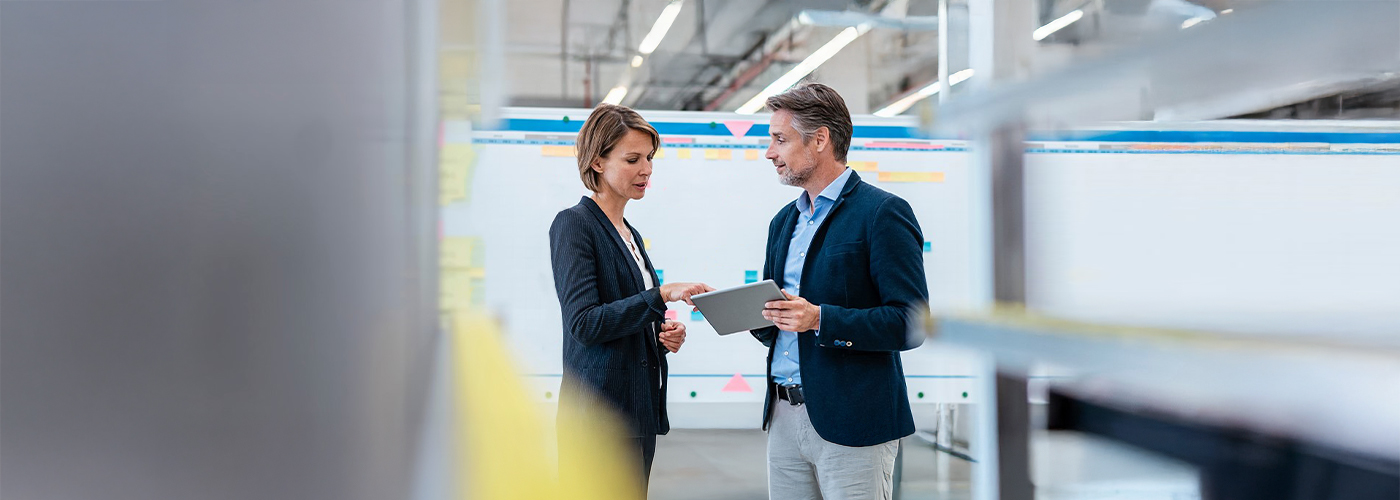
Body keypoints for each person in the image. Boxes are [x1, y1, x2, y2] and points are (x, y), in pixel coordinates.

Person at [751, 83, 929, 500]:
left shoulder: (882, 213)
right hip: (782, 415)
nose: (770, 152)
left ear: (819, 139)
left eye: (780, 139)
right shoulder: (783, 222)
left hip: (855, 420)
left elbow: (910, 323)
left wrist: (820, 319)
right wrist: (745, 313)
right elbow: (777, 321)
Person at [548, 104, 714, 493]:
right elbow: (585, 324)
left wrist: (661, 335)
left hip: (635, 411)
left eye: (650, 158)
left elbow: (625, 315)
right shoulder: (574, 225)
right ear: (597, 162)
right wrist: (659, 295)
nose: (647, 169)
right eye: (633, 159)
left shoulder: (630, 233)